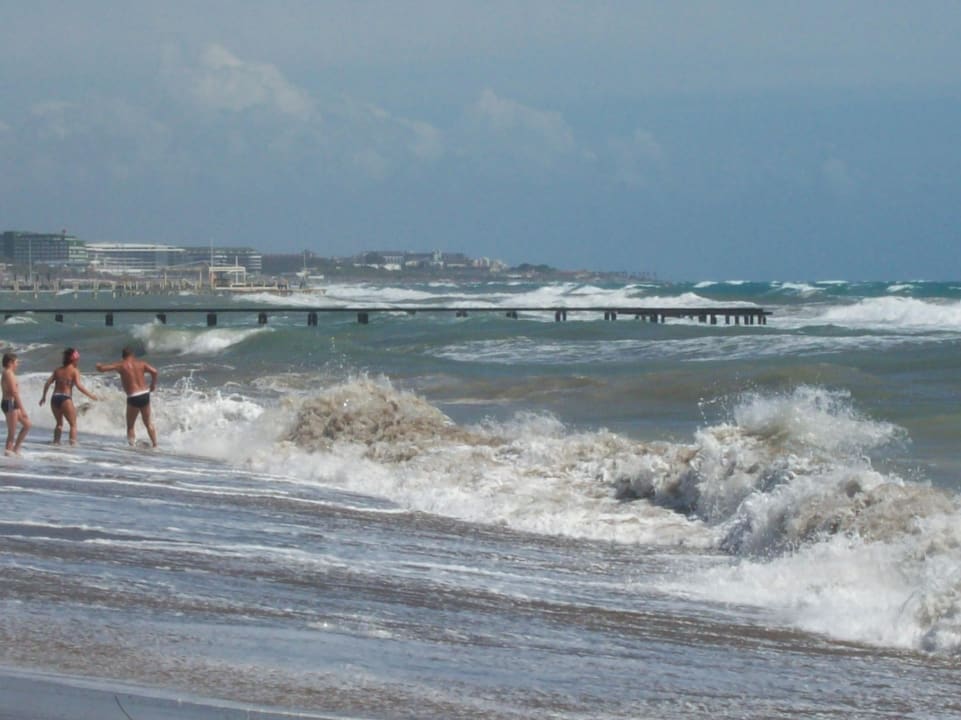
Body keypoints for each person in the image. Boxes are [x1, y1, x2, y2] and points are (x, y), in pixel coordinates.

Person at [96, 346, 158, 448]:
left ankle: (132, 446)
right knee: (148, 423)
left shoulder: (121, 365)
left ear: (123, 356)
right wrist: (153, 385)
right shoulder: (141, 364)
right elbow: (155, 372)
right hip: (145, 394)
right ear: (132, 355)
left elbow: (103, 369)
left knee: (130, 425)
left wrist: (98, 366)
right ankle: (155, 445)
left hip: (133, 396)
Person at [39, 347, 99, 445]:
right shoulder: (74, 371)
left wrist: (43, 397)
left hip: (54, 398)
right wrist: (91, 396)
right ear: (73, 359)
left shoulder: (57, 370)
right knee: (73, 425)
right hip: (65, 398)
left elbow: (47, 383)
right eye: (77, 359)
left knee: (59, 424)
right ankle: (72, 445)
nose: (78, 361)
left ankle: (56, 443)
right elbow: (79, 386)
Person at [2, 352, 31, 455]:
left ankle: (15, 450)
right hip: (9, 403)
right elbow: (14, 392)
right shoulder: (8, 373)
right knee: (12, 433)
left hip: (12, 403)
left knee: (27, 425)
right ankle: (8, 455)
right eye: (16, 362)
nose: (17, 364)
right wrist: (22, 409)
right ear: (10, 362)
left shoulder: (9, 373)